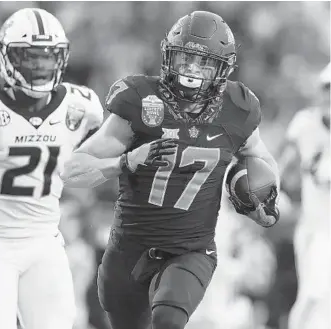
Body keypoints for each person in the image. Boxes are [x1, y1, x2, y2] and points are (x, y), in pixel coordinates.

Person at [61, 11, 280, 329]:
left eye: (201, 62)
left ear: (222, 68)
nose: (190, 70)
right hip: (129, 249)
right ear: (168, 57)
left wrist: (266, 201)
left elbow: (264, 160)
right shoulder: (140, 100)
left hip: (192, 249)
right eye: (184, 59)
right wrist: (124, 163)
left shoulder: (238, 107)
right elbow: (71, 171)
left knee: (168, 318)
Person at [0, 8, 104, 329]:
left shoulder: (82, 106)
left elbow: (103, 159)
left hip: (45, 241)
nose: (39, 65)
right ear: (7, 58)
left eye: (47, 57)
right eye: (29, 57)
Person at [278, 63, 330, 329]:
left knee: (320, 299)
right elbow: (284, 169)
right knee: (314, 294)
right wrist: (275, 195)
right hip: (314, 228)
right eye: (327, 89)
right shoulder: (306, 125)